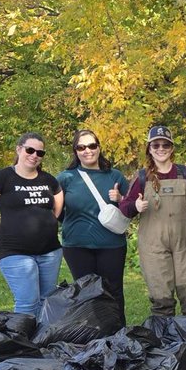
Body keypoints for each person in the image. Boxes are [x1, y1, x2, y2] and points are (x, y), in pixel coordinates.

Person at [118, 125, 186, 316]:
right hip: (153, 245)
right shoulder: (141, 177)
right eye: (156, 145)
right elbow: (124, 207)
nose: (161, 149)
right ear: (149, 148)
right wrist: (135, 207)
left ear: (172, 148)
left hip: (185, 243)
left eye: (166, 145)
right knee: (161, 295)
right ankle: (165, 340)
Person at [0, 132, 64, 317]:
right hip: (14, 252)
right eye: (30, 150)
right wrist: (0, 232)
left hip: (50, 252)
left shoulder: (48, 180)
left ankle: (43, 343)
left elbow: (57, 207)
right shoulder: (3, 177)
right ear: (19, 149)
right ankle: (23, 344)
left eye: (40, 153)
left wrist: (47, 224)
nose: (34, 156)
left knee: (47, 301)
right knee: (27, 303)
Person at [55, 129, 130, 321]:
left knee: (113, 291)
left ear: (99, 148)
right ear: (75, 151)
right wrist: (74, 224)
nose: (87, 150)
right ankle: (91, 337)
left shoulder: (115, 176)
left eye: (92, 145)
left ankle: (117, 334)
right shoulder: (65, 178)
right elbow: (55, 212)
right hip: (77, 246)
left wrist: (120, 198)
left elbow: (131, 209)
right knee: (85, 293)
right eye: (81, 147)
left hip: (112, 245)